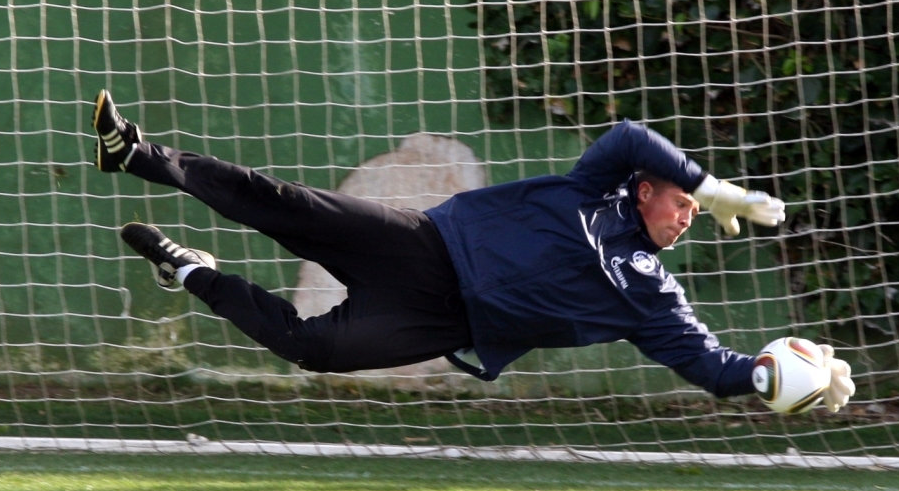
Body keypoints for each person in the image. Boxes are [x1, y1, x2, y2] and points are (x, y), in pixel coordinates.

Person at [91, 89, 854, 411]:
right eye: (682, 202)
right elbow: (628, 135)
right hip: (423, 246)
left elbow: (715, 367)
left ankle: (188, 269)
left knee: (309, 346)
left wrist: (782, 377)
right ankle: (135, 154)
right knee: (285, 205)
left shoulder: (651, 295)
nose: (687, 216)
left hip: (447, 325)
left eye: (696, 210)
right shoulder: (598, 184)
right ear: (647, 189)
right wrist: (716, 186)